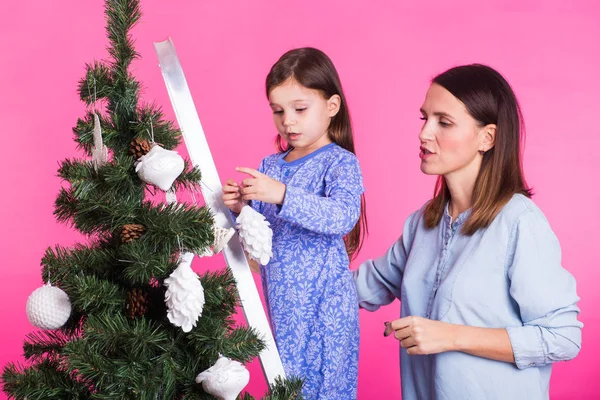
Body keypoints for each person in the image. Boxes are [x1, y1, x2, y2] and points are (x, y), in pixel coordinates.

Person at [353, 64, 582, 400]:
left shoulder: (519, 222)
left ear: (486, 138)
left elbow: (564, 337)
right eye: (424, 118)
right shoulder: (422, 224)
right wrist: (271, 256)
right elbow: (357, 288)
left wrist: (450, 336)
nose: (424, 133)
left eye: (443, 122)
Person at [222, 47, 367, 399]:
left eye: (300, 109)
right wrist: (241, 209)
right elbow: (258, 236)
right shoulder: (271, 166)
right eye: (278, 111)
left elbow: (341, 215)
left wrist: (282, 194)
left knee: (324, 386)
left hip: (325, 305)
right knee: (286, 384)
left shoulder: (339, 163)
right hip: (283, 304)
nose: (288, 121)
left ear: (331, 107)